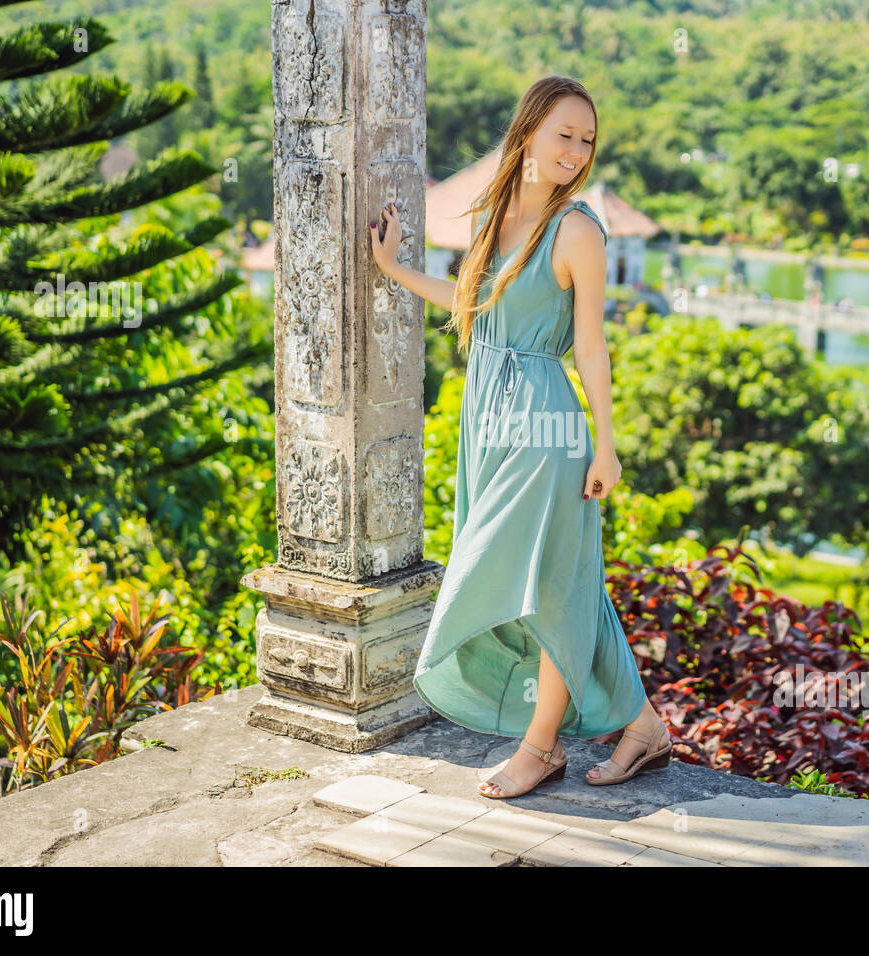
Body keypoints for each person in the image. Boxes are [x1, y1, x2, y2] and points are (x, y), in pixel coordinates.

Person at [369, 76, 671, 799]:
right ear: (529, 131)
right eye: (564, 133)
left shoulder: (579, 230)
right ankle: (644, 726)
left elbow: (591, 348)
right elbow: (475, 306)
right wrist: (395, 268)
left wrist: (607, 444)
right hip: (486, 419)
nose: (576, 151)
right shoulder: (495, 214)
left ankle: (540, 748)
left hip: (546, 425)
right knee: (563, 578)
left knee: (542, 586)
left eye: (587, 140)